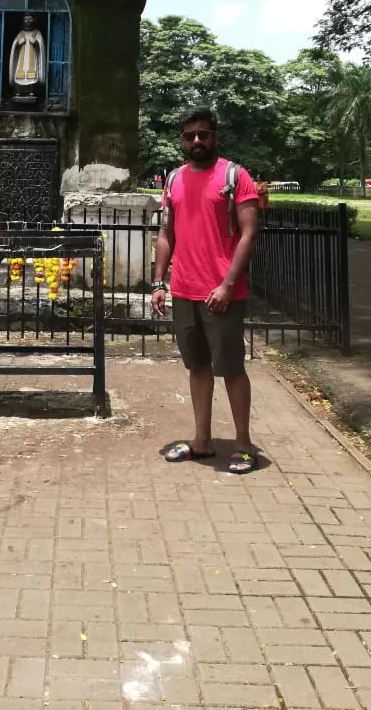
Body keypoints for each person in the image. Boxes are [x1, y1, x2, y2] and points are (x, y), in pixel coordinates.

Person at [151, 108, 260, 474]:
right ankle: (202, 441)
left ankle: (243, 444)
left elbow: (248, 233)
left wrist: (228, 284)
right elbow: (167, 234)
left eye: (203, 134)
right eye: (189, 136)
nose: (196, 141)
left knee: (231, 368)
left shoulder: (234, 176)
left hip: (222, 292)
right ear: (182, 140)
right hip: (184, 290)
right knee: (197, 366)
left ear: (214, 136)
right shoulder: (174, 180)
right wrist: (159, 282)